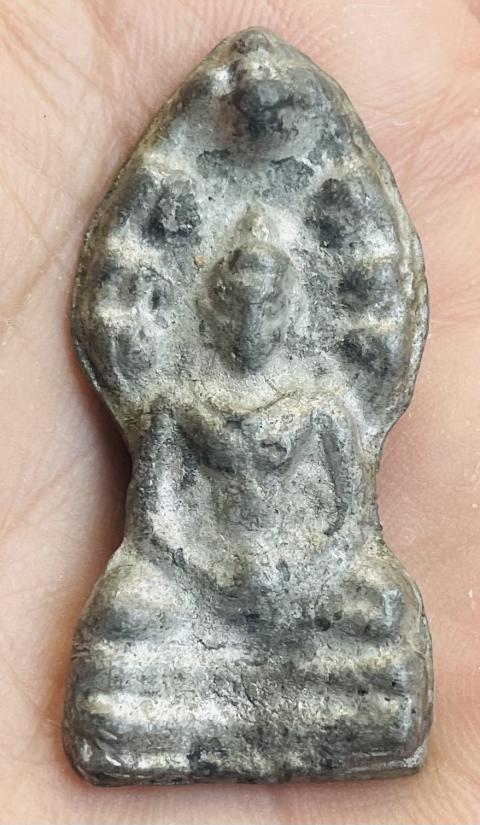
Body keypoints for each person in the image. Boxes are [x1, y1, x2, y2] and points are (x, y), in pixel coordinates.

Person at [1, 0, 478, 822]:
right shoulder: (177, 404)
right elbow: (157, 526)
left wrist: (300, 572)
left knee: (377, 609)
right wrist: (211, 577)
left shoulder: (325, 405)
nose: (251, 319)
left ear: (297, 309)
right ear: (209, 304)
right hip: (193, 582)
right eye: (234, 300)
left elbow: (347, 524)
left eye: (270, 302)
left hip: (310, 583)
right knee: (125, 614)